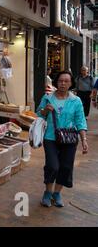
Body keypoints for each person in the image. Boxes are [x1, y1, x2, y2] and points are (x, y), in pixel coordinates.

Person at [37, 71, 89, 208]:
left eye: (66, 81)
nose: (63, 83)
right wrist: (45, 111)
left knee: (65, 167)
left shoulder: (76, 101)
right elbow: (39, 114)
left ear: (71, 83)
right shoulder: (47, 97)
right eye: (60, 81)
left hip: (70, 139)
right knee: (52, 166)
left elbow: (80, 121)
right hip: (50, 137)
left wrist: (84, 139)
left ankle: (57, 193)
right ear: (56, 82)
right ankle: (48, 192)